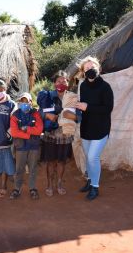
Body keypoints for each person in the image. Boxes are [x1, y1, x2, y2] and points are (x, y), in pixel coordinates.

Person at [75, 56, 114, 200]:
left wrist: (87, 107)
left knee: (93, 157)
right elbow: (84, 106)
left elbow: (108, 108)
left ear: (98, 68)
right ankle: (90, 182)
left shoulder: (105, 87)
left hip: (101, 129)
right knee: (88, 157)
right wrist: (78, 108)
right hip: (86, 127)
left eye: (92, 67)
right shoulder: (83, 86)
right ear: (83, 71)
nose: (89, 70)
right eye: (86, 68)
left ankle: (95, 187)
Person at [39, 70, 74, 197]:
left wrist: (70, 116)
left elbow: (77, 116)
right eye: (58, 81)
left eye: (64, 81)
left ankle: (59, 183)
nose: (61, 83)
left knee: (61, 161)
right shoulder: (47, 96)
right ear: (54, 83)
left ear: (68, 83)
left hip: (65, 135)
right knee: (50, 161)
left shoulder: (72, 97)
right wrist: (46, 114)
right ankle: (49, 185)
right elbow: (39, 112)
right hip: (51, 135)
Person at [9, 92, 43, 200]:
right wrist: (29, 135)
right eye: (21, 102)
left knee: (33, 168)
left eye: (26, 101)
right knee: (19, 169)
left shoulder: (36, 113)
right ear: (19, 103)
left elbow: (39, 130)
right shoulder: (15, 115)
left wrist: (25, 129)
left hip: (33, 147)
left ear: (30, 102)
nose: (24, 104)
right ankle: (16, 189)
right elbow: (14, 132)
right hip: (21, 147)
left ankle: (32, 188)